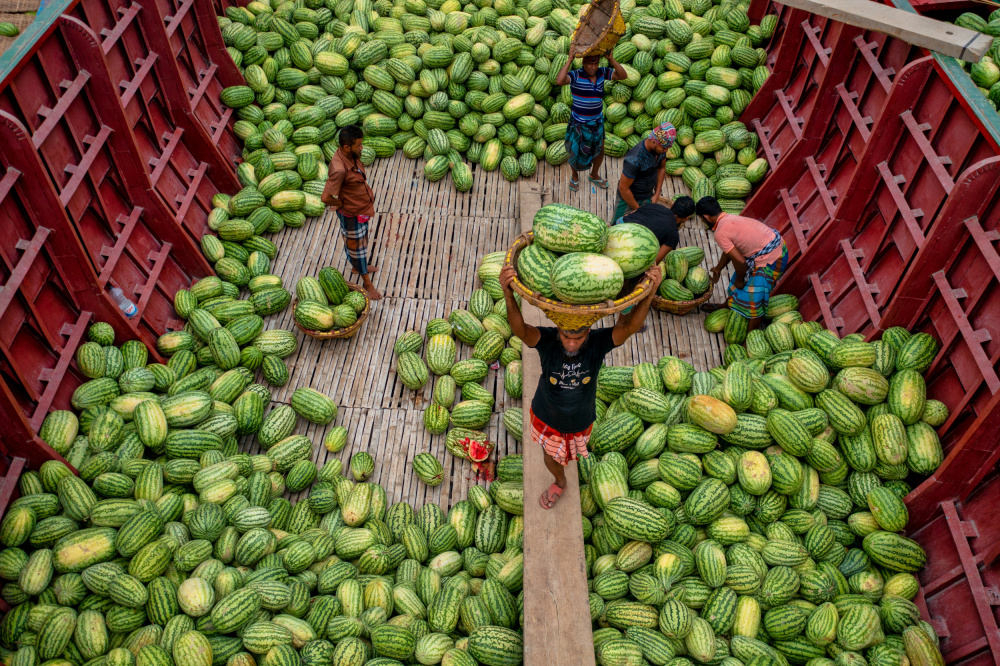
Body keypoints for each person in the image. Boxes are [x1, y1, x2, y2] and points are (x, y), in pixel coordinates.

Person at [499, 263, 664, 509]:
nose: (572, 343)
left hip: (581, 420)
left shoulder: (599, 343)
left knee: (567, 454)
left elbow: (628, 328)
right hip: (546, 416)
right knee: (550, 455)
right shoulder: (546, 341)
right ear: (558, 330)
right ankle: (560, 481)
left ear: (589, 331)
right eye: (566, 336)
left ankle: (562, 468)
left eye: (579, 337)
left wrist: (650, 294)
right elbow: (520, 330)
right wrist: (507, 293)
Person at [696, 196, 787, 331]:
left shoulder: (720, 232)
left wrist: (740, 280)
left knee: (755, 299)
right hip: (771, 247)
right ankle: (725, 306)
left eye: (702, 219)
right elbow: (730, 251)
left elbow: (741, 262)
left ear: (706, 217)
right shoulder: (729, 218)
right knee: (736, 283)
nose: (703, 221)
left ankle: (752, 336)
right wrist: (718, 268)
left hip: (773, 258)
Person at [321, 124, 382, 301]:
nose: (361, 148)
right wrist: (339, 203)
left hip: (361, 209)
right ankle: (367, 283)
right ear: (347, 147)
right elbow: (325, 197)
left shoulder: (350, 155)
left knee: (361, 241)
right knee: (357, 249)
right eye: (358, 145)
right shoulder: (339, 169)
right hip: (351, 214)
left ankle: (357, 267)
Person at [554, 47, 627, 192]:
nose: (593, 67)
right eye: (590, 64)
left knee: (599, 151)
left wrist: (611, 59)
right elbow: (560, 80)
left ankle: (594, 174)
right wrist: (569, 60)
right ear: (584, 64)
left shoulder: (602, 72)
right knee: (576, 152)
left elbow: (623, 76)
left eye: (596, 64)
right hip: (579, 123)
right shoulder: (576, 75)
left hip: (597, 122)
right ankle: (574, 177)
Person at [614, 122, 676, 222]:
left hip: (647, 196)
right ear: (654, 142)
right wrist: (638, 210)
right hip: (628, 199)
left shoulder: (659, 151)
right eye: (664, 148)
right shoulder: (634, 159)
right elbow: (623, 188)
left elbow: (661, 168)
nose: (666, 151)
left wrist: (656, 194)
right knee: (617, 226)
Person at [615, 196, 696, 263]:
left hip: (618, 226)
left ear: (672, 205)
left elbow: (632, 214)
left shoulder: (655, 206)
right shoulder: (673, 235)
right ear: (686, 218)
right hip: (626, 248)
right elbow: (655, 261)